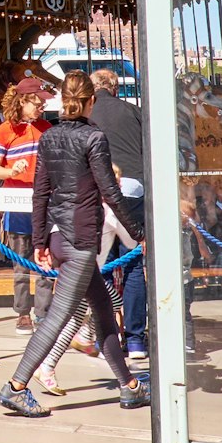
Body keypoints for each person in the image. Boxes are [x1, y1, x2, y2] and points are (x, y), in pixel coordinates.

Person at [0, 70, 149, 418]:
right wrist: (139, 233)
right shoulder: (93, 136)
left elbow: (41, 192)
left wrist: (39, 240)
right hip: (81, 238)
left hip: (58, 235)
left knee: (104, 310)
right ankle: (16, 386)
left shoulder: (50, 136)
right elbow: (110, 191)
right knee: (57, 316)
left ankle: (130, 386)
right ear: (91, 101)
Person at [89, 67, 148, 357]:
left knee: (103, 264)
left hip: (103, 191)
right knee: (134, 263)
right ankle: (136, 338)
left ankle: (107, 337)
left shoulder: (89, 114)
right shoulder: (133, 111)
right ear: (114, 87)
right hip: (134, 189)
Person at [0, 77, 51, 334]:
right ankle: (23, 312)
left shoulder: (47, 128)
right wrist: (12, 170)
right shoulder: (4, 131)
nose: (42, 107)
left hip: (43, 200)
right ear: (23, 100)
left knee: (45, 259)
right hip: (17, 202)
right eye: (37, 101)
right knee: (21, 259)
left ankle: (44, 313)